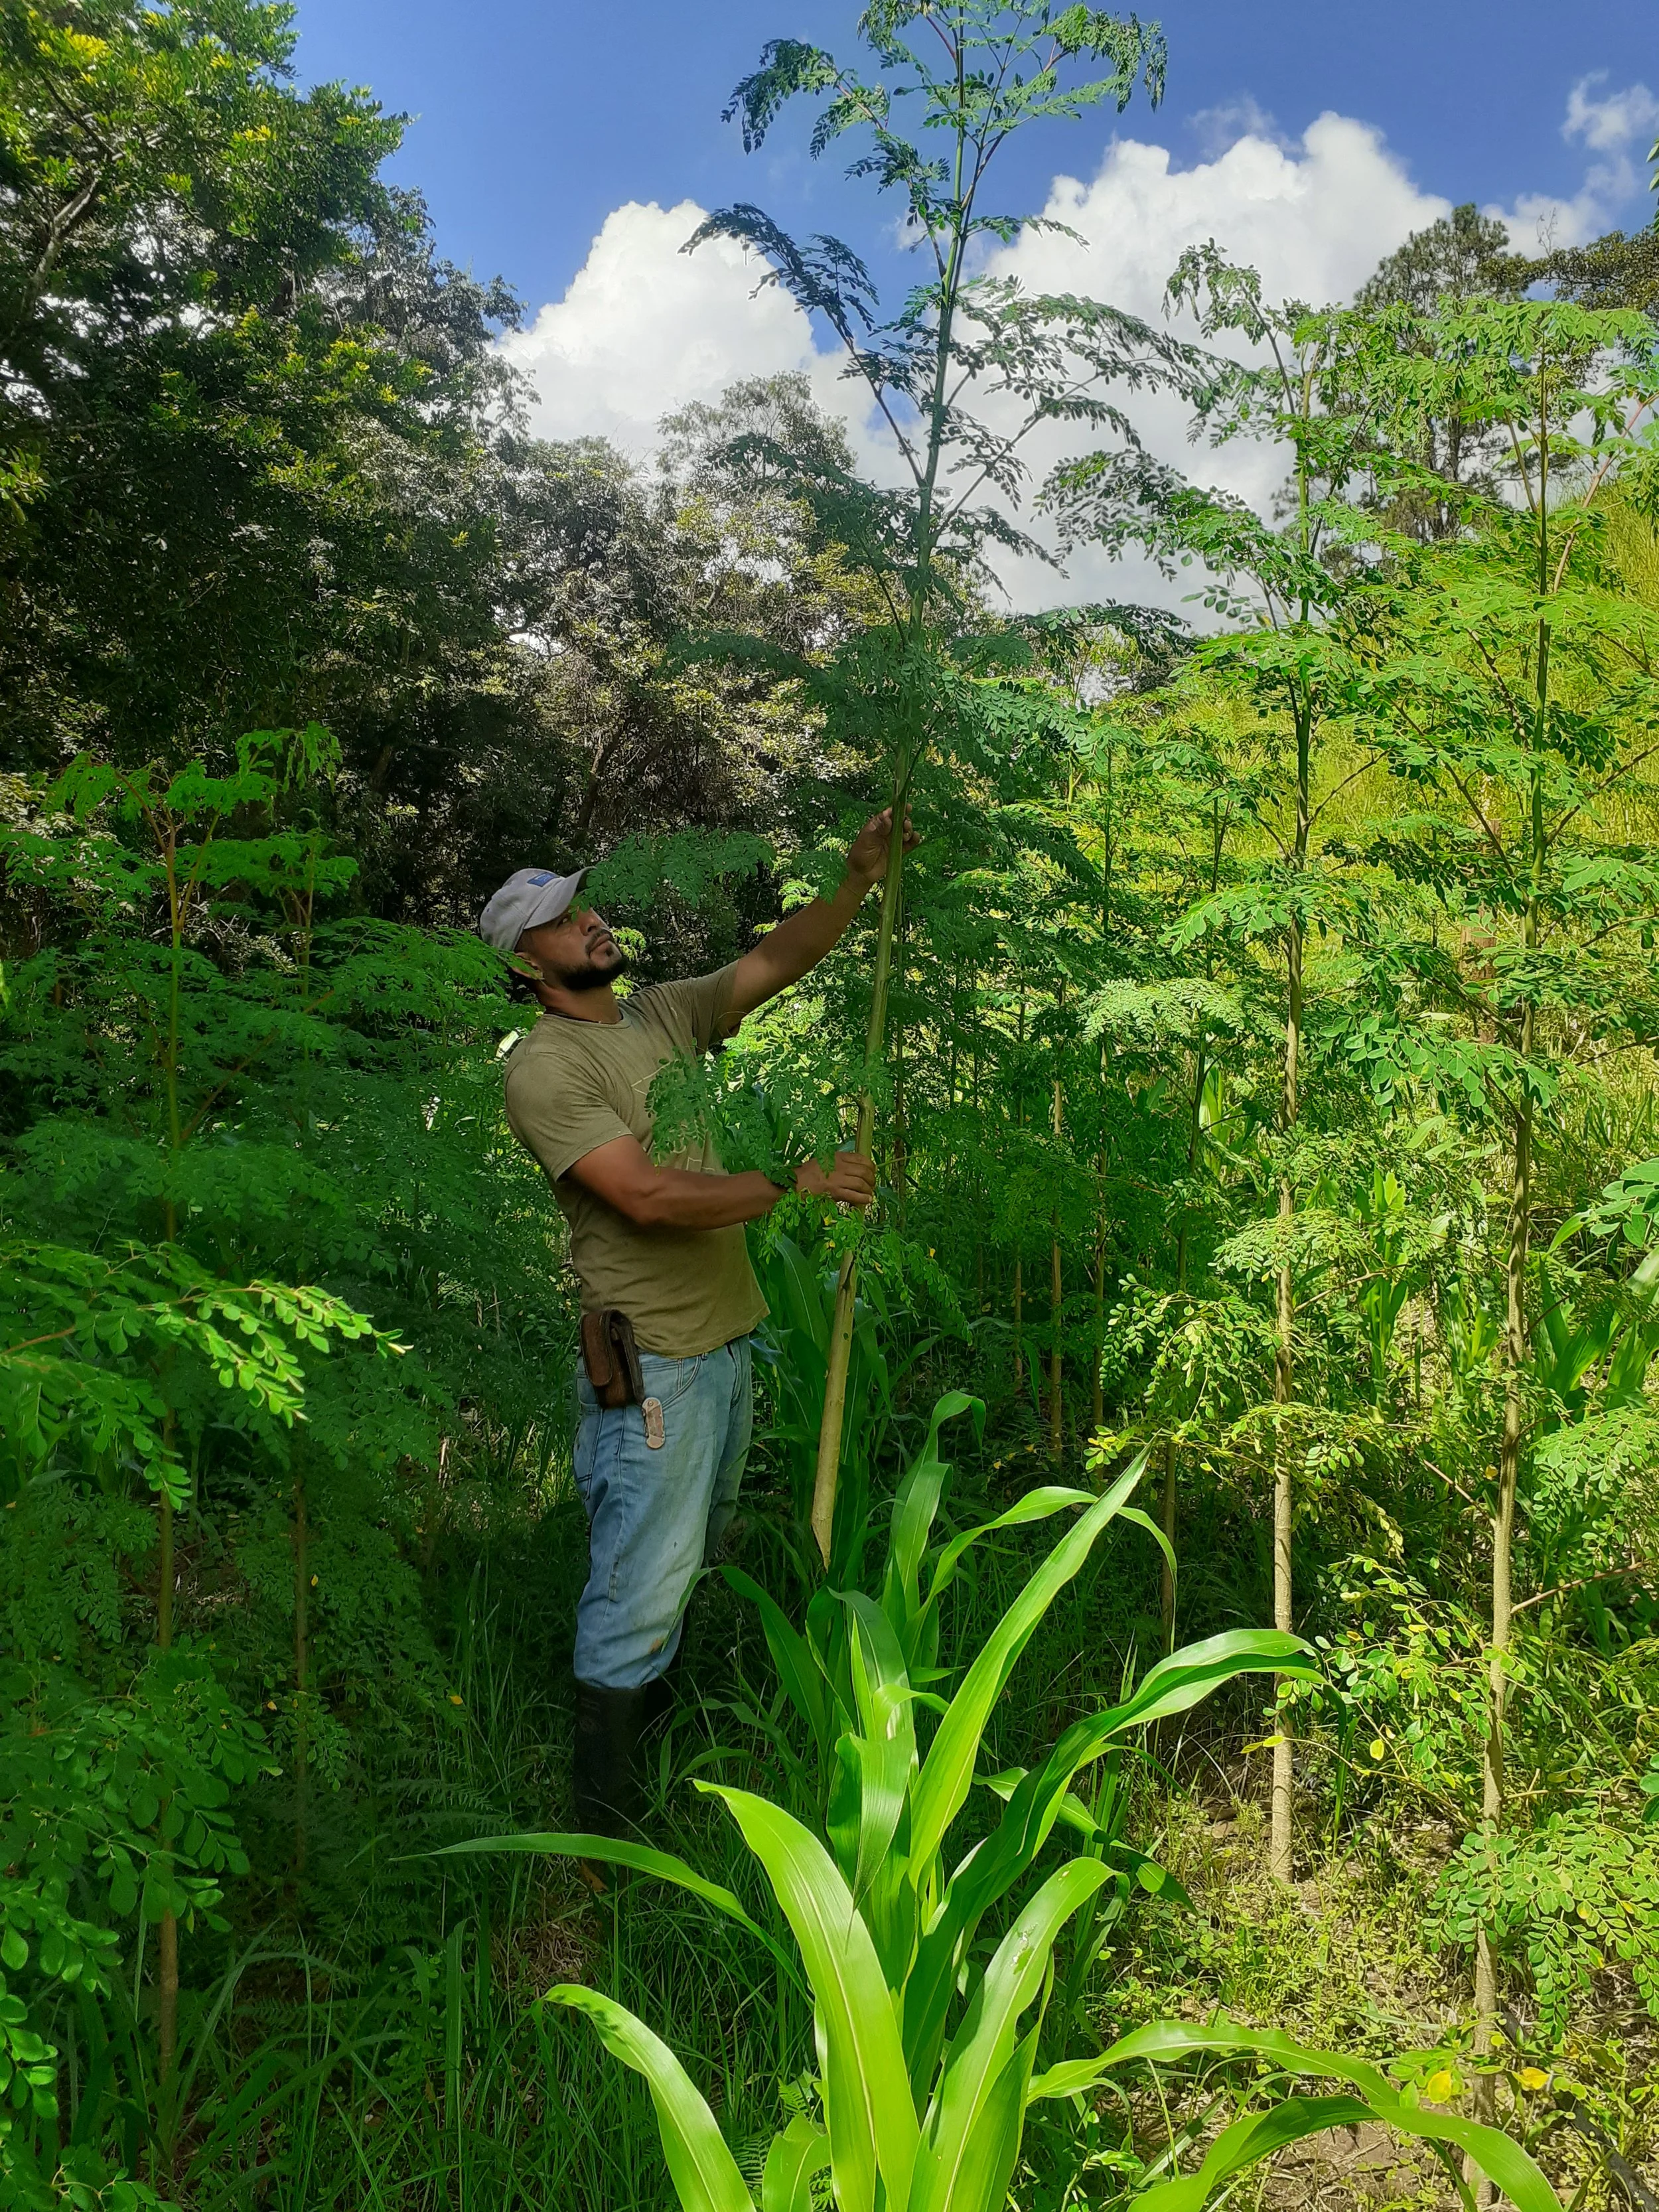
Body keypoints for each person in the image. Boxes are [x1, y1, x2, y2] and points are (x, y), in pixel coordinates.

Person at [479, 807, 915, 1846]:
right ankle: (606, 1846)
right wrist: (789, 1181)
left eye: (580, 902)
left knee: (687, 1568)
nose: (586, 919)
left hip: (723, 1350)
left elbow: (775, 961)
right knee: (636, 1597)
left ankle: (659, 1769)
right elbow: (646, 1198)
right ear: (525, 962)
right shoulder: (547, 1070)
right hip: (657, 1373)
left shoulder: (656, 1019)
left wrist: (855, 883)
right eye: (558, 918)